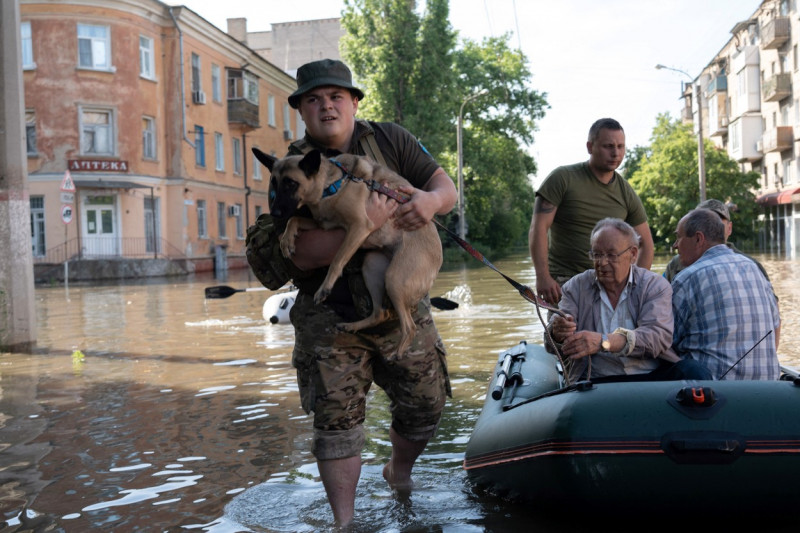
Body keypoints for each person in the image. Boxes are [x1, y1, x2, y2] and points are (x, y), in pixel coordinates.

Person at [253, 58, 457, 527]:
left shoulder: (391, 139)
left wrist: (429, 201)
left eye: (335, 96)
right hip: (330, 317)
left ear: (353, 102)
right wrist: (372, 223)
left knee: (427, 404)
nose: (326, 106)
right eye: (314, 99)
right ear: (302, 111)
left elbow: (444, 184)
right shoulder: (290, 169)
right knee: (337, 424)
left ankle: (397, 472)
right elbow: (295, 254)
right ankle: (344, 522)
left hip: (400, 302)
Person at [546, 218, 710, 383]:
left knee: (694, 371)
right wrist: (557, 332)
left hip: (651, 377)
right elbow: (552, 342)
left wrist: (604, 342)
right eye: (596, 255)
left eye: (611, 255)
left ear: (633, 254)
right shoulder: (576, 287)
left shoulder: (654, 285)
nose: (602, 263)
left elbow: (657, 337)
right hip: (596, 380)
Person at [529, 118, 655, 306]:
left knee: (610, 336)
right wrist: (543, 277)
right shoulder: (562, 178)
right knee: (566, 334)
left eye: (621, 146)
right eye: (608, 146)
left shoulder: (625, 191)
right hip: (566, 282)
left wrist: (634, 285)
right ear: (590, 147)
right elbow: (538, 228)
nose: (616, 153)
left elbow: (646, 244)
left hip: (610, 285)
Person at [672, 209, 781, 380]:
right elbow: (776, 324)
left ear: (698, 239)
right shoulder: (754, 268)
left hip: (713, 398)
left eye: (679, 237)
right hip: (767, 391)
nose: (675, 245)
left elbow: (665, 341)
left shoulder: (686, 279)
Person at [663, 198, 773, 285]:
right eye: (704, 220)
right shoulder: (676, 264)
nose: (710, 225)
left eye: (717, 220)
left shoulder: (751, 265)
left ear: (729, 228)